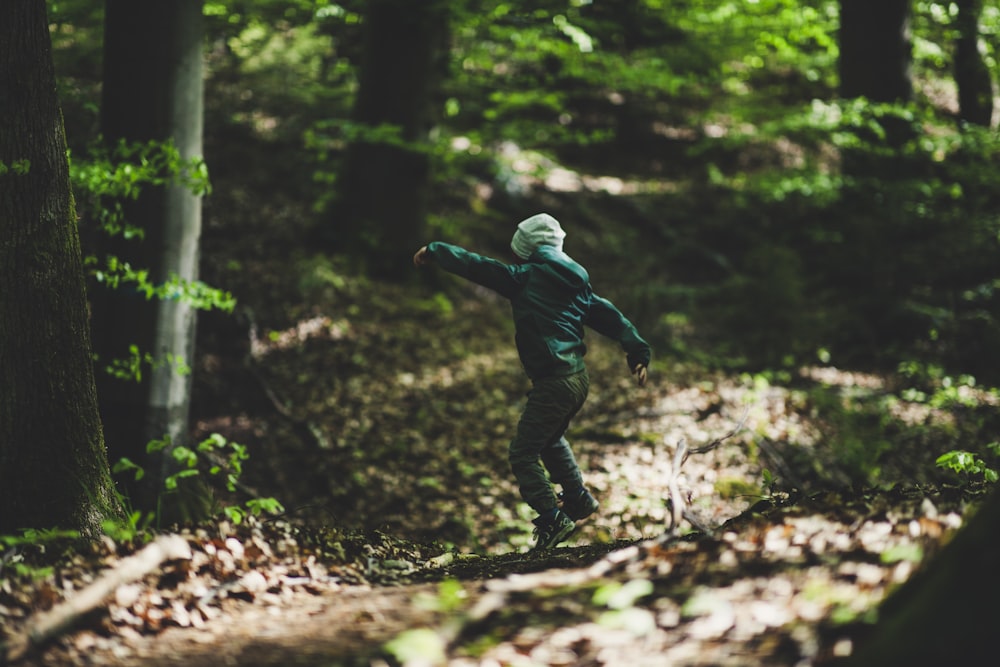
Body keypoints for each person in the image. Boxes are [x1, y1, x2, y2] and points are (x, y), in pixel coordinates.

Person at [413, 213, 651, 551]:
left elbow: (477, 266)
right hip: (577, 378)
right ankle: (578, 498)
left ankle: (553, 518)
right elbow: (612, 317)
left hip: (555, 380)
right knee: (551, 439)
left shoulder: (523, 277)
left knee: (523, 452)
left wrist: (436, 250)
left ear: (524, 251)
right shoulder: (577, 286)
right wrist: (638, 351)